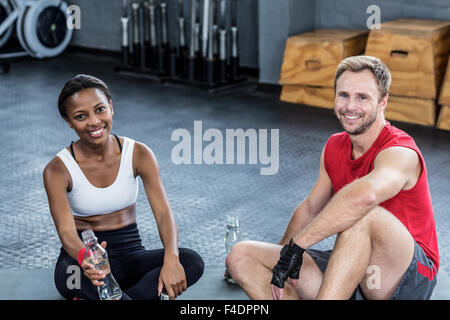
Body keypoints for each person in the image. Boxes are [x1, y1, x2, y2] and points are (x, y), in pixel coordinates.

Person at [225, 56, 439, 300]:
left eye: (362, 97)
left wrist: (299, 245)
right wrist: (283, 256)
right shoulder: (334, 147)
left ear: (383, 102)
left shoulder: (400, 152)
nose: (350, 106)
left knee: (364, 215)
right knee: (240, 256)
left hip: (406, 274)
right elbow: (310, 208)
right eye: (343, 95)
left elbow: (364, 197)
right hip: (352, 265)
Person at [43, 74, 204, 300]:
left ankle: (115, 297)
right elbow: (67, 232)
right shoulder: (57, 170)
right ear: (69, 121)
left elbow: (163, 213)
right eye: (81, 116)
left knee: (191, 261)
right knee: (73, 277)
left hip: (130, 259)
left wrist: (171, 258)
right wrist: (84, 259)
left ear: (111, 107)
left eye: (100, 109)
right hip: (81, 264)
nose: (94, 122)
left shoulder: (139, 154)